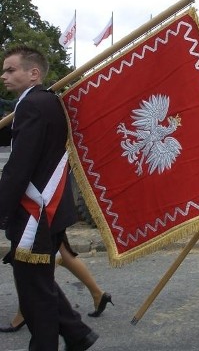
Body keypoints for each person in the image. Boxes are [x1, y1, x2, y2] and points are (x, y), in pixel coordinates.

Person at [0, 45, 98, 350]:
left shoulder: (33, 105)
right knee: (38, 284)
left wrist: (1, 211)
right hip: (49, 211)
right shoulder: (42, 102)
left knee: (35, 297)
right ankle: (77, 334)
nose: (4, 75)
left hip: (35, 214)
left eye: (11, 69)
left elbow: (20, 166)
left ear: (34, 73)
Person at [1, 239, 112, 333]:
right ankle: (97, 294)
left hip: (40, 217)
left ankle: (24, 311)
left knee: (23, 258)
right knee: (62, 252)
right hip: (48, 217)